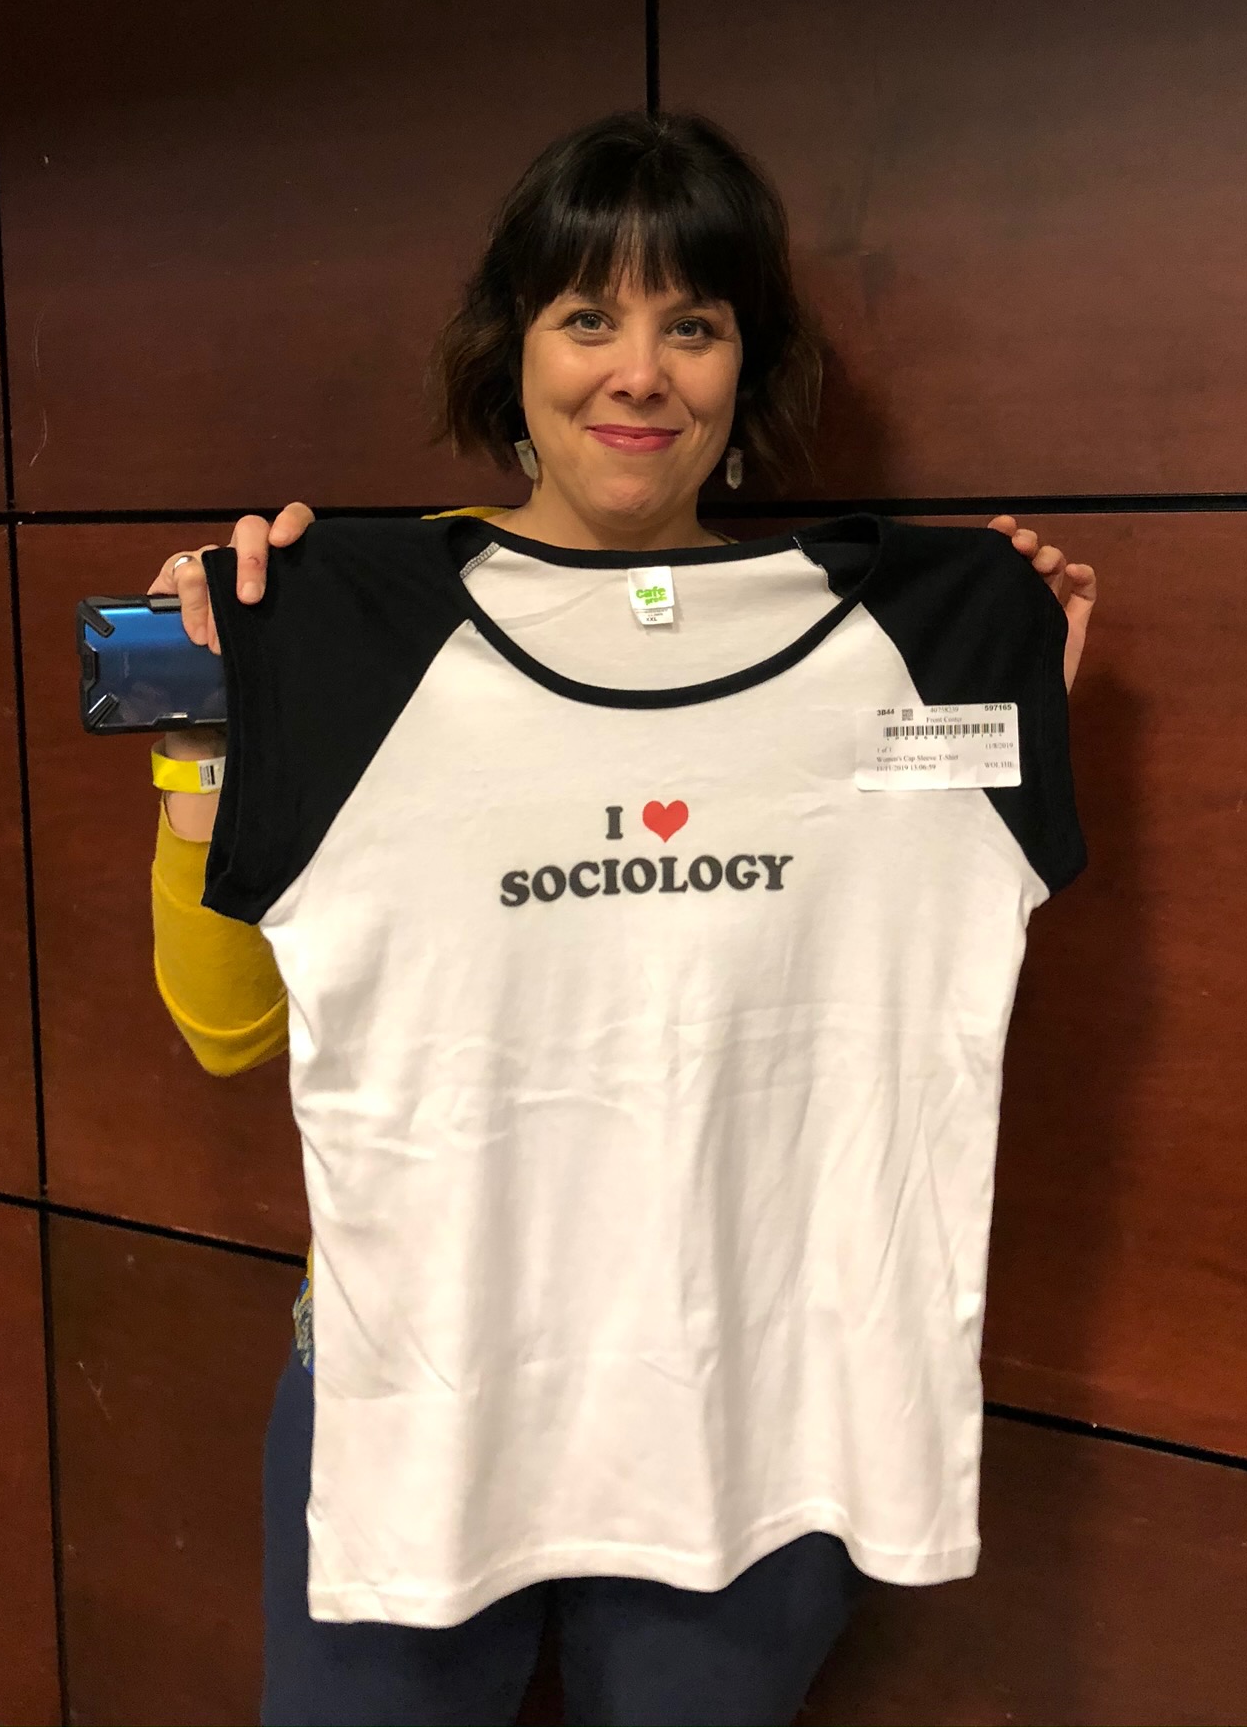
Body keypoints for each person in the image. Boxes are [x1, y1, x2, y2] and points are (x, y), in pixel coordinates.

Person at [146, 110, 1097, 1727]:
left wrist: (1007, 711)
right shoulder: (347, 633)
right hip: (424, 1391)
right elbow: (227, 1029)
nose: (639, 372)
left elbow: (916, 968)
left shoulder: (909, 652)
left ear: (745, 372)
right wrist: (222, 729)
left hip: (757, 1391)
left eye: (693, 325)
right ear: (508, 356)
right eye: (588, 316)